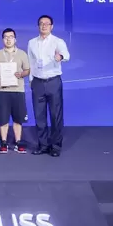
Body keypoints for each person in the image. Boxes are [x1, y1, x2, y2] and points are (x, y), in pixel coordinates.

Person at [27, 15, 70, 157]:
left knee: (55, 115)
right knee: (39, 116)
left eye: (47, 23)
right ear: (38, 26)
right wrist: (31, 80)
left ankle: (56, 146)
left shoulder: (58, 41)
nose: (44, 26)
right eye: (41, 23)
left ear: (52, 26)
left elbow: (66, 54)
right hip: (37, 82)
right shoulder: (32, 43)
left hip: (53, 82)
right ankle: (43, 145)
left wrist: (60, 57)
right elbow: (31, 62)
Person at [0, 28, 31, 154]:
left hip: (18, 90)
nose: (8, 39)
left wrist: (21, 74)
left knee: (18, 118)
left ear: (15, 39)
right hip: (2, 90)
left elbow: (27, 70)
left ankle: (18, 142)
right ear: (2, 39)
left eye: (11, 37)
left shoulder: (22, 54)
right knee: (3, 118)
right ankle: (4, 142)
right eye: (6, 37)